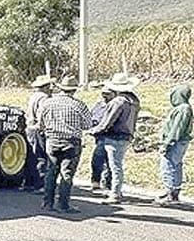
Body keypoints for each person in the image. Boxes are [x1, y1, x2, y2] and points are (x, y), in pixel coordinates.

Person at [38, 76, 92, 213]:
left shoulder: (47, 103)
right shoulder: (79, 105)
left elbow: (41, 123)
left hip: (52, 140)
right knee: (66, 173)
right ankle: (63, 204)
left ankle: (47, 203)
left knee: (51, 172)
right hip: (71, 141)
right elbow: (87, 125)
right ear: (74, 90)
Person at [88, 73, 141, 204]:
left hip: (114, 136)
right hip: (126, 136)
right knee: (116, 164)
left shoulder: (118, 102)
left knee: (114, 166)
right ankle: (115, 190)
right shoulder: (134, 100)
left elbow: (107, 122)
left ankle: (115, 193)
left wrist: (94, 131)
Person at [155, 84, 192, 205]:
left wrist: (167, 143)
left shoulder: (183, 109)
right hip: (180, 141)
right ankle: (173, 191)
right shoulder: (184, 108)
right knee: (176, 165)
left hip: (176, 142)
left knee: (168, 165)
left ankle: (171, 192)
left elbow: (176, 128)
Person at [24, 75, 54, 193]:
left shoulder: (33, 96)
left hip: (30, 128)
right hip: (38, 128)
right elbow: (43, 114)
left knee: (31, 156)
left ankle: (28, 182)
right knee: (41, 156)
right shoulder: (44, 98)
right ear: (46, 87)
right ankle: (39, 184)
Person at [89, 86, 115, 192]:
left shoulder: (115, 105)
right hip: (100, 137)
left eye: (108, 93)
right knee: (97, 159)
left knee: (111, 162)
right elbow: (92, 118)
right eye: (103, 93)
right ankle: (96, 182)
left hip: (111, 135)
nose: (105, 96)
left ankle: (108, 184)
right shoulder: (99, 105)